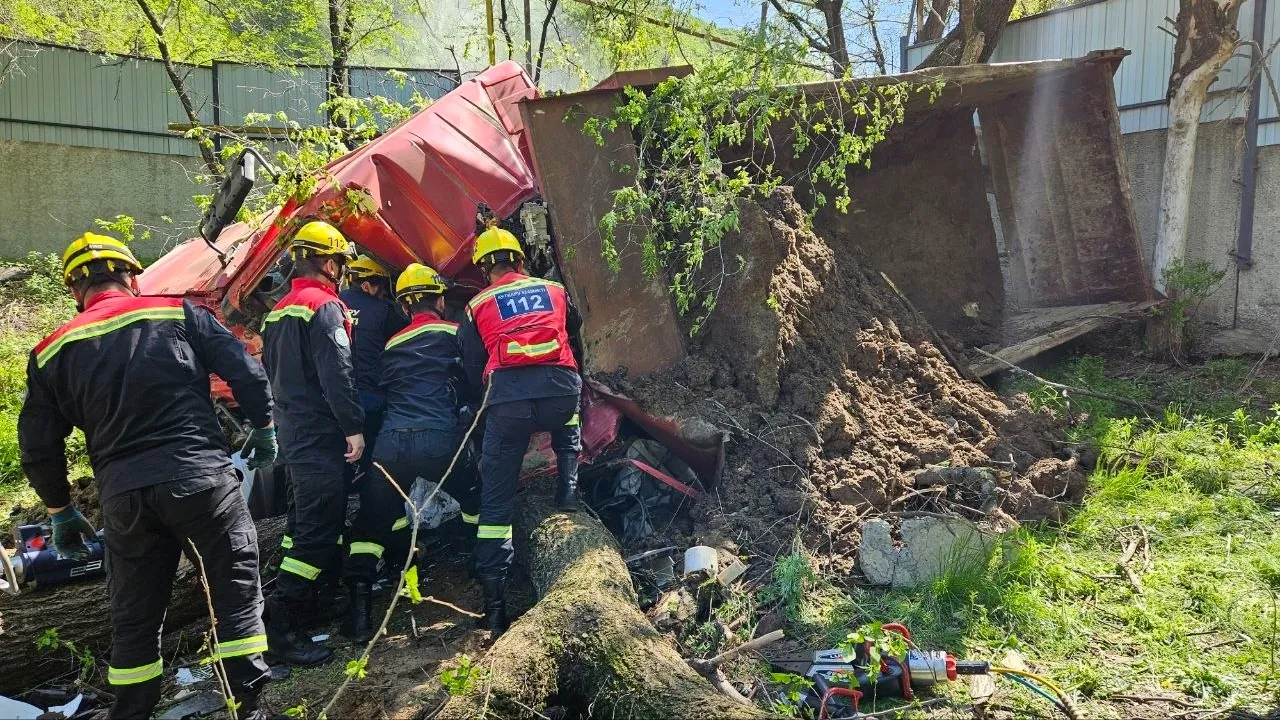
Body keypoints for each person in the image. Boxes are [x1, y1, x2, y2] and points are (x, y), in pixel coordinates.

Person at [18, 232, 279, 719]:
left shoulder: (51, 351)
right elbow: (244, 370)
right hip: (202, 480)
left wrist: (60, 510)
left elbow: (38, 444)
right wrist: (264, 428)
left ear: (76, 291)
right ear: (133, 276)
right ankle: (246, 704)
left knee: (136, 616)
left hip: (124, 499)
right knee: (233, 588)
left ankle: (133, 711)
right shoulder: (179, 313)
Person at [340, 263, 479, 641]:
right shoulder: (456, 332)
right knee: (474, 499)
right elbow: (473, 379)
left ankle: (359, 617)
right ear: (439, 299)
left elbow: (385, 391)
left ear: (403, 308)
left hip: (391, 445)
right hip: (440, 440)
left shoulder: (391, 345)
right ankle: (481, 574)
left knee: (371, 522)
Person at [458, 223, 585, 633]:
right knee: (569, 407)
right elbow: (575, 335)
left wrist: (488, 403)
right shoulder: (554, 291)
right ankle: (568, 491)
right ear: (520, 259)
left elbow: (472, 364)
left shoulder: (478, 305)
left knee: (495, 502)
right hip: (560, 393)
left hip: (508, 405)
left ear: (483, 270)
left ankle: (495, 609)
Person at [260, 220, 364, 666]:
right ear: (328, 262)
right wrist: (353, 426)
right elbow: (336, 374)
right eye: (339, 262)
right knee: (317, 533)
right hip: (321, 435)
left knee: (302, 524)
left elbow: (271, 375)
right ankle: (279, 630)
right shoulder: (323, 307)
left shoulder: (278, 311)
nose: (340, 270)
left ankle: (307, 605)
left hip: (293, 433)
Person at [339, 255, 407, 485]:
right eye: (383, 288)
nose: (385, 294)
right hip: (371, 399)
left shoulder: (330, 305)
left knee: (340, 460)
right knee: (374, 459)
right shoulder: (384, 311)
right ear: (368, 285)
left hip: (335, 400)